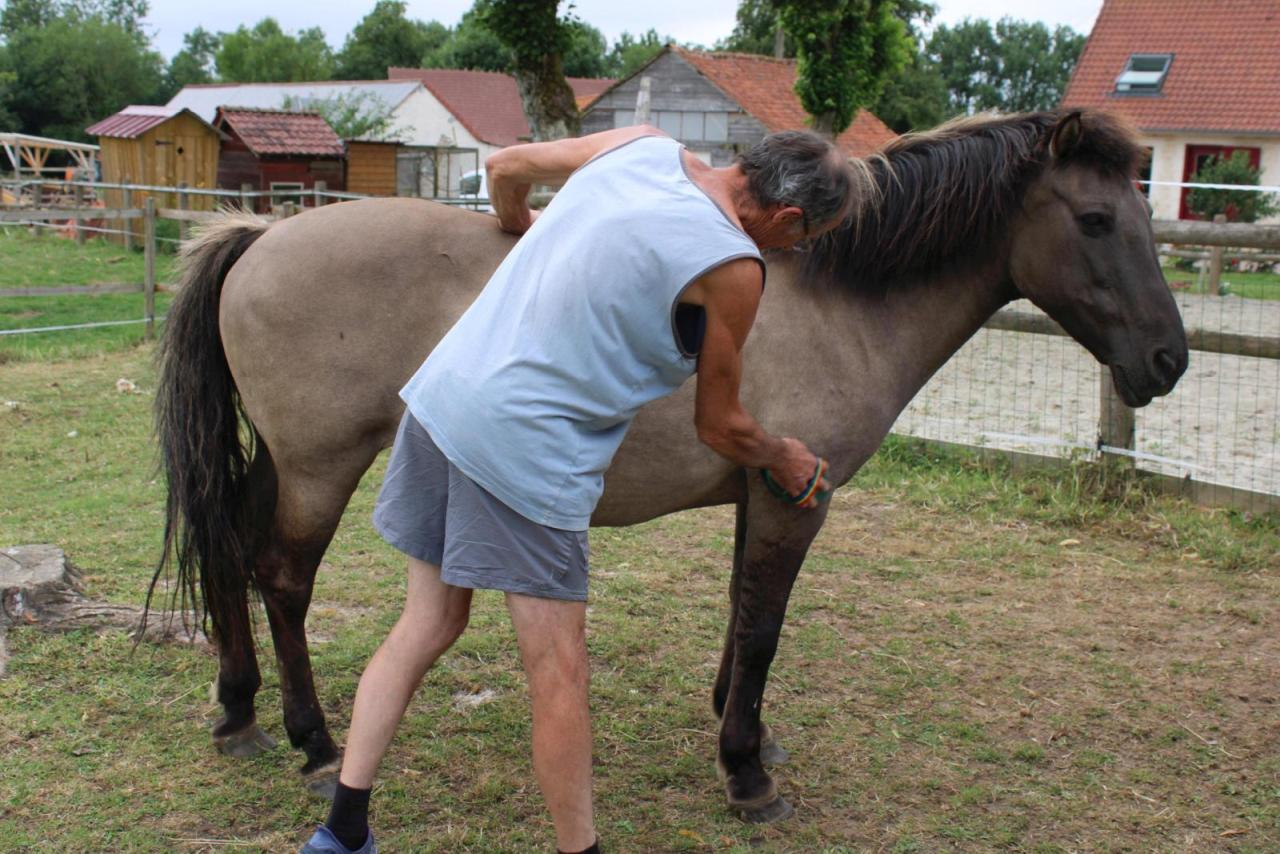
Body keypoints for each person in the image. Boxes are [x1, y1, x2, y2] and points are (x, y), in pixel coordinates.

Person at [302, 124, 855, 854]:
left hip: (443, 399)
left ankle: (342, 832)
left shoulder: (641, 145)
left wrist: (519, 226)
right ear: (789, 219)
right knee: (558, 673)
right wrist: (782, 455)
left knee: (426, 624)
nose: (797, 251)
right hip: (527, 449)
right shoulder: (734, 266)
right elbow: (720, 425)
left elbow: (503, 164)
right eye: (809, 238)